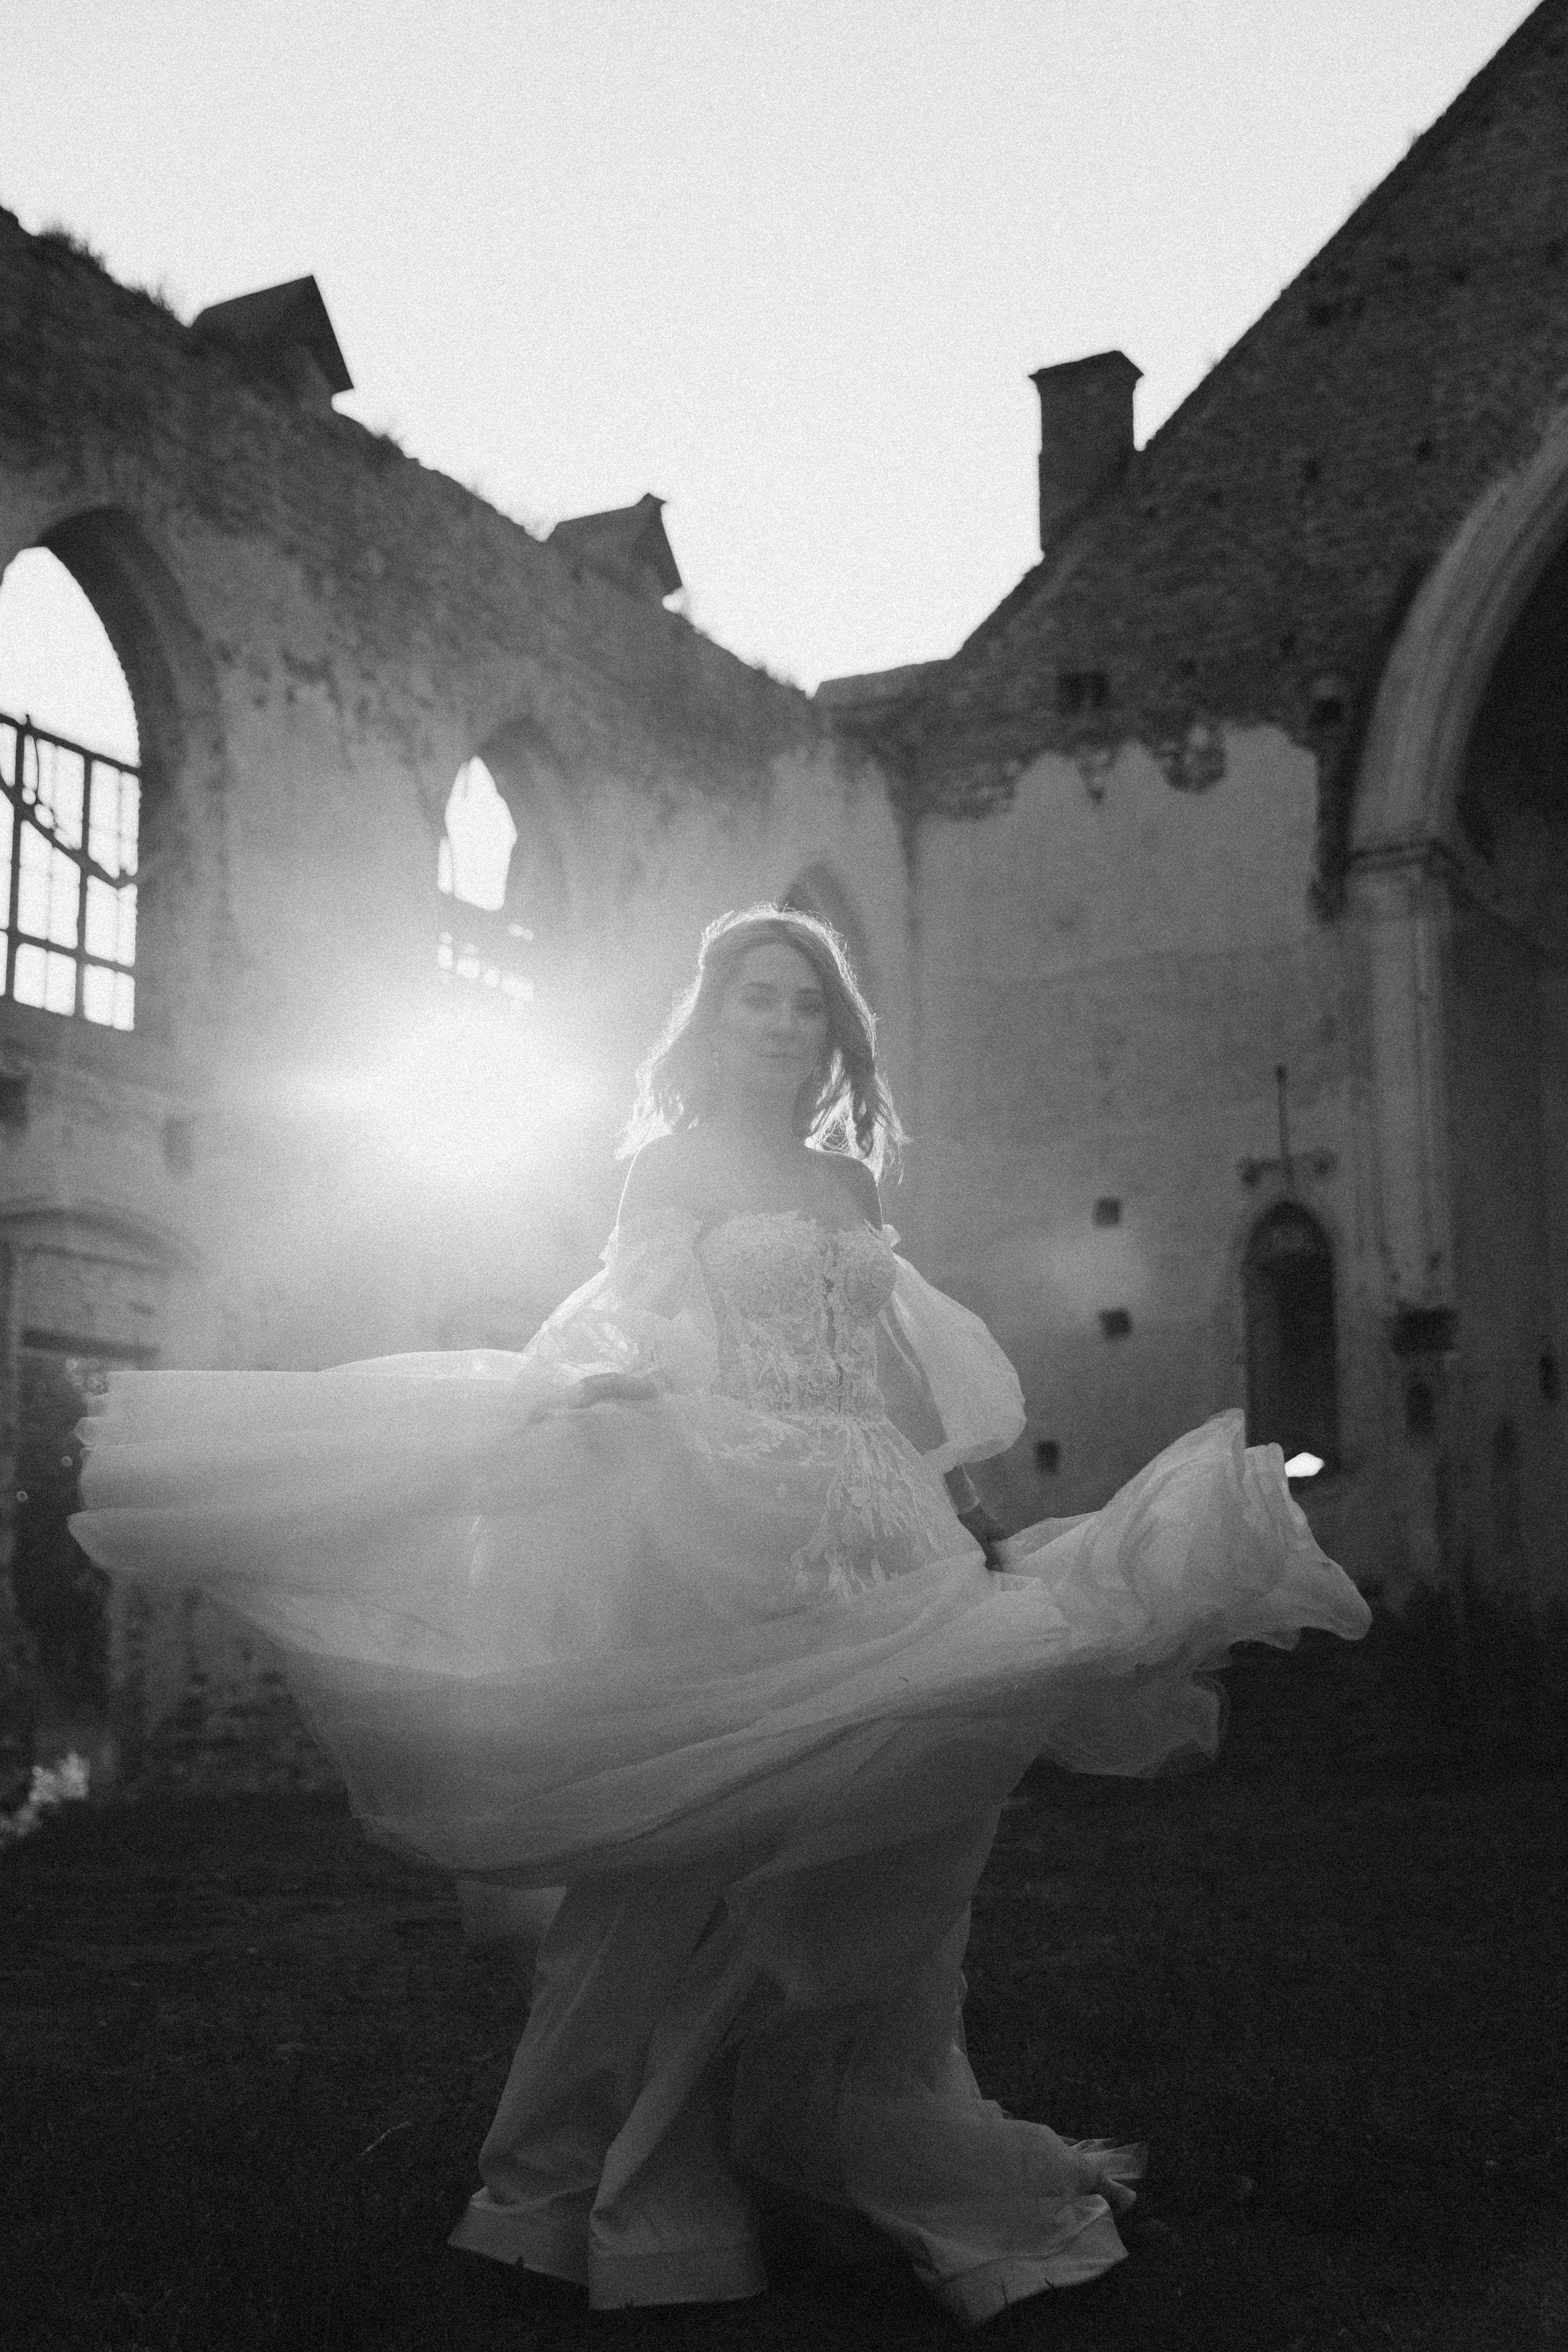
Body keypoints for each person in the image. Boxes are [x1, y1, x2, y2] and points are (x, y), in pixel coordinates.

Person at [70, 905, 1371, 2326]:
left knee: (893, 1846)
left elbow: (885, 1376)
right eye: (754, 997)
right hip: (736, 1505)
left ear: (833, 1034)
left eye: (804, 1004)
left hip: (880, 1519)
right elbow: (629, 1316)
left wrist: (969, 1512)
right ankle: (568, 2178)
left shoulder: (849, 1188)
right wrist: (629, 1390)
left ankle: (829, 2128)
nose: (778, 1022)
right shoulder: (668, 1164)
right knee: (691, 1842)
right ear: (712, 1017)